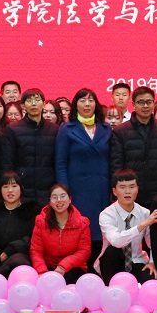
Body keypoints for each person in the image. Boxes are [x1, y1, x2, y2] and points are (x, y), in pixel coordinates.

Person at [55, 87, 112, 268]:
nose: (87, 104)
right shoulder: (67, 128)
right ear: (75, 105)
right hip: (77, 190)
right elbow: (61, 163)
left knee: (100, 232)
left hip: (102, 189)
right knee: (81, 232)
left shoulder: (106, 128)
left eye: (90, 100)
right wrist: (64, 192)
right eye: (82, 100)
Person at [111, 86, 157, 208]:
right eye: (141, 102)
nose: (145, 106)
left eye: (149, 102)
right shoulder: (120, 131)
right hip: (130, 194)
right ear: (133, 104)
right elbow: (117, 165)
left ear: (153, 103)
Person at [96, 170, 157, 283]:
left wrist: (152, 262)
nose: (128, 191)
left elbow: (153, 242)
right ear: (114, 191)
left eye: (132, 187)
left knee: (150, 281)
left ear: (137, 189)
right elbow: (116, 241)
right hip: (113, 262)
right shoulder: (106, 214)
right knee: (113, 251)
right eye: (122, 187)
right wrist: (142, 225)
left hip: (137, 259)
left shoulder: (145, 213)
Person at [0, 172, 39, 277]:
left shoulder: (30, 213)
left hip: (20, 263)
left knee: (18, 261)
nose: (10, 190)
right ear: (0, 190)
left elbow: (34, 238)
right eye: (5, 187)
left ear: (21, 188)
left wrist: (12, 249)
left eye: (14, 186)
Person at [3, 88, 59, 206]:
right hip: (23, 192)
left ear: (43, 104)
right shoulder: (13, 130)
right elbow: (8, 163)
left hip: (47, 191)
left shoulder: (55, 130)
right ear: (23, 106)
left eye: (37, 100)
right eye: (29, 100)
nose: (34, 104)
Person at [30, 183, 91, 283]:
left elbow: (84, 251)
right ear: (50, 202)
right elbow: (36, 251)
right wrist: (41, 271)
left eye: (63, 196)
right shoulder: (41, 222)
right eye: (54, 197)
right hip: (48, 266)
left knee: (68, 280)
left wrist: (63, 266)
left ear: (70, 199)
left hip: (73, 267)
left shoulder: (82, 223)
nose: (59, 200)